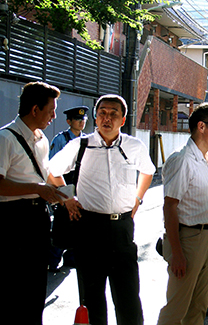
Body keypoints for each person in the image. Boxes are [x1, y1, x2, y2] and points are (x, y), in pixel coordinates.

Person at [49, 94, 156, 325]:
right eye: (102, 113)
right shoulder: (81, 145)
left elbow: (148, 171)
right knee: (92, 297)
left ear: (123, 119)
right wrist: (67, 198)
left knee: (128, 297)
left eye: (113, 114)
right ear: (96, 118)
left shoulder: (133, 146)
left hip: (122, 228)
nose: (107, 118)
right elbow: (52, 170)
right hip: (89, 228)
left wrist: (138, 198)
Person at [0, 81, 67, 325]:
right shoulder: (4, 139)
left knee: (36, 287)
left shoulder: (42, 139)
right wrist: (36, 189)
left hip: (38, 220)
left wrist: (68, 196)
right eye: (51, 110)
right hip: (12, 220)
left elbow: (47, 174)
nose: (54, 116)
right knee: (10, 289)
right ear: (35, 110)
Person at [157, 103, 208, 325]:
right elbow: (170, 206)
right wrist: (177, 252)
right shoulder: (183, 159)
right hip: (187, 240)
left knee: (198, 307)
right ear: (201, 126)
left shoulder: (204, 159)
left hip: (206, 237)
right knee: (177, 308)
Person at [48, 105, 89, 272]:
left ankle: (71, 259)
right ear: (69, 121)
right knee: (62, 222)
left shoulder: (87, 140)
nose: (81, 122)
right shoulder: (61, 140)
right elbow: (51, 167)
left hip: (80, 185)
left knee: (78, 221)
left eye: (83, 119)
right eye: (78, 120)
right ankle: (53, 261)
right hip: (63, 184)